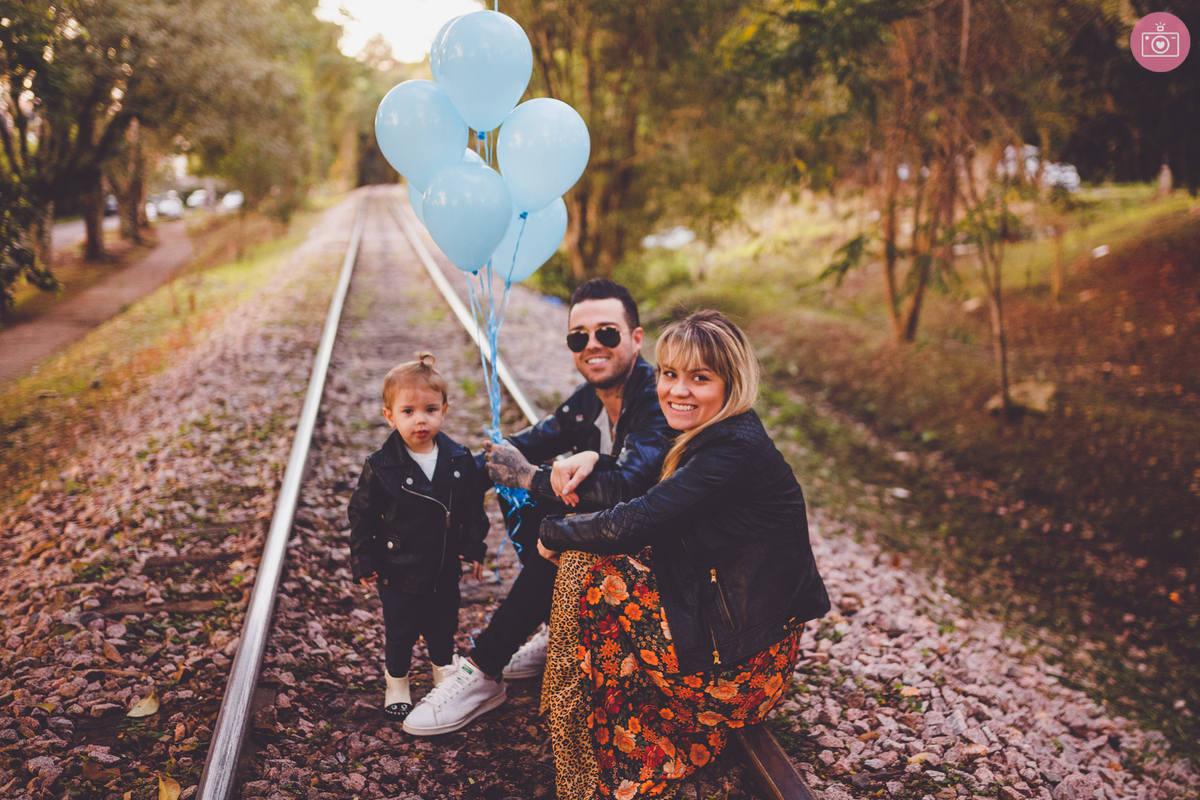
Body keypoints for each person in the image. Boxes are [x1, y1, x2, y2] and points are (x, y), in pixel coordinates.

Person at [536, 310, 831, 798]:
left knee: (585, 566)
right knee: (594, 563)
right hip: (739, 637)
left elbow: (635, 519)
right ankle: (582, 723)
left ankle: (583, 773)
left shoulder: (731, 450)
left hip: (744, 671)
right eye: (670, 374)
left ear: (729, 383)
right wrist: (599, 459)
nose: (678, 390)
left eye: (699, 378)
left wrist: (554, 530)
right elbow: (652, 491)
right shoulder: (717, 434)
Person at [402, 279, 675, 736]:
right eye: (578, 337)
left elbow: (628, 487)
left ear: (637, 339)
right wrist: (427, 489)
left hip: (665, 571)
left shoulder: (658, 399)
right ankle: (558, 623)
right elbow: (516, 451)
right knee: (532, 491)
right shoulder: (591, 400)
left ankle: (483, 670)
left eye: (607, 333)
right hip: (623, 552)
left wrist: (530, 475)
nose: (592, 345)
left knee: (558, 517)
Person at [348, 352, 489, 721]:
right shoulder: (381, 467)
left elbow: (473, 508)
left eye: (429, 409)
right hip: (398, 570)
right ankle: (397, 681)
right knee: (401, 630)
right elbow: (361, 515)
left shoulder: (459, 461)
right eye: (408, 411)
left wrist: (475, 547)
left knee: (443, 625)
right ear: (389, 416)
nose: (420, 420)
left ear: (444, 409)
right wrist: (364, 558)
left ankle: (443, 673)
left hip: (444, 566)